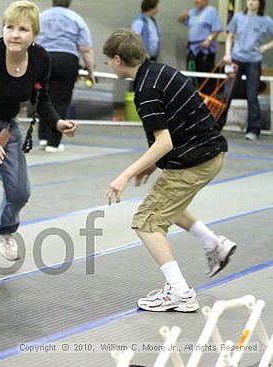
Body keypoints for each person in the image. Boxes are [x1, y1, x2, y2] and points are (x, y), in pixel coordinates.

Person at [103, 29, 236, 312]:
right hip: (211, 152)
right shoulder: (161, 72)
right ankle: (214, 245)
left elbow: (164, 141)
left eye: (107, 61)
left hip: (195, 160)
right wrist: (152, 164)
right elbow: (177, 125)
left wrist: (124, 176)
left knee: (146, 222)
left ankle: (179, 292)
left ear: (117, 60)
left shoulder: (145, 90)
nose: (108, 65)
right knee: (166, 205)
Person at [0, 0, 77, 291]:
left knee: (20, 190)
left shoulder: (41, 59)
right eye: (9, 27)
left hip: (6, 126)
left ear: (35, 34)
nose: (15, 34)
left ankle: (4, 229)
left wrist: (56, 123)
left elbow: (41, 99)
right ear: (3, 29)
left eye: (23, 29)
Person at [36, 0, 95, 152]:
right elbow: (86, 49)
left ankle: (43, 137)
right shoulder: (76, 18)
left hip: (44, 57)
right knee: (60, 100)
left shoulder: (42, 17)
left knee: (43, 97)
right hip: (67, 60)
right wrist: (90, 72)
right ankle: (53, 142)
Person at [219, 0, 273, 141]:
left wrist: (265, 47)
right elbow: (230, 36)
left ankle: (253, 130)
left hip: (254, 61)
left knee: (252, 96)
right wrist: (227, 53)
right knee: (227, 93)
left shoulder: (266, 20)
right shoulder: (238, 17)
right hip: (236, 59)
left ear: (260, 3)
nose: (251, 2)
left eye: (254, 0)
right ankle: (217, 125)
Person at [178, 0, 222, 93]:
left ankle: (205, 96)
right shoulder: (193, 11)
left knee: (204, 78)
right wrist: (183, 15)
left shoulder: (211, 11)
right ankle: (193, 96)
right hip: (192, 48)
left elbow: (217, 29)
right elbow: (180, 20)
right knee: (192, 75)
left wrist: (209, 39)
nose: (196, 1)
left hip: (204, 49)